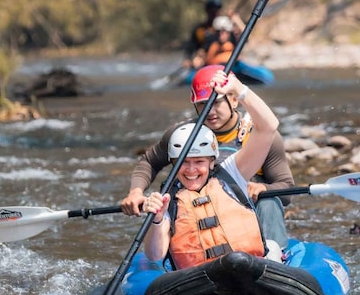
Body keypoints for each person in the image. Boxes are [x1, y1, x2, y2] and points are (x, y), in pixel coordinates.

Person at [121, 64, 293, 249]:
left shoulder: (261, 137)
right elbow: (149, 161)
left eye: (216, 102)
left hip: (246, 211)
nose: (210, 111)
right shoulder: (182, 136)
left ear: (234, 100)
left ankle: (275, 256)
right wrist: (136, 192)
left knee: (269, 201)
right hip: (198, 212)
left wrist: (263, 188)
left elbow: (286, 189)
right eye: (203, 104)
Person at [183, 0, 245, 71]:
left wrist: (237, 20)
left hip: (231, 65)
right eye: (212, 10)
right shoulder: (203, 32)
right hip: (210, 63)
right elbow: (193, 47)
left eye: (217, 10)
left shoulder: (229, 29)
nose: (221, 34)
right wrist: (191, 59)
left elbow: (244, 37)